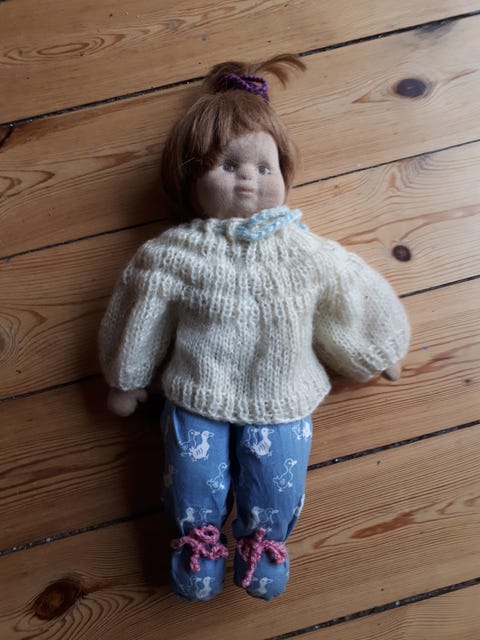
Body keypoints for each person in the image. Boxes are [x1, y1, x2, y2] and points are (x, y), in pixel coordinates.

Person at [98, 54, 410, 602]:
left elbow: (348, 296)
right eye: (228, 165)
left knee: (276, 480)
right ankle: (196, 547)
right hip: (197, 394)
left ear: (284, 176)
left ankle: (265, 547)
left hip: (283, 396)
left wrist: (377, 347)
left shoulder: (305, 251)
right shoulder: (171, 255)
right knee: (192, 479)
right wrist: (126, 377)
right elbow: (139, 314)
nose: (248, 178)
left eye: (265, 168)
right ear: (190, 179)